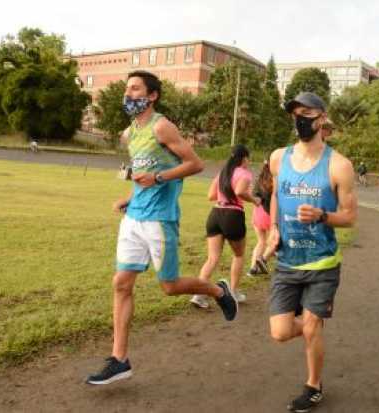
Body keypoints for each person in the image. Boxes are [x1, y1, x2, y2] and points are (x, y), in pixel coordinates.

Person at [86, 71, 238, 385]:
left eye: (135, 88)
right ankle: (119, 359)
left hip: (160, 219)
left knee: (168, 286)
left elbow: (195, 165)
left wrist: (158, 179)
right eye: (127, 89)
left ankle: (218, 291)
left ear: (152, 95)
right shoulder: (129, 134)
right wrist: (129, 197)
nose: (128, 94)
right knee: (121, 283)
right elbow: (141, 173)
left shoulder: (161, 126)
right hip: (134, 219)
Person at [268, 92, 357, 412]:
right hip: (287, 261)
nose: (299, 118)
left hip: (323, 262)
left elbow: (349, 216)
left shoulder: (339, 165)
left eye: (306, 112)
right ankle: (308, 323)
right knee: (279, 332)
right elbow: (276, 195)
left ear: (321, 117)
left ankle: (313, 385)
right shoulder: (278, 157)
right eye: (295, 113)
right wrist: (274, 228)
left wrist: (322, 215)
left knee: (311, 326)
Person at [190, 144, 260, 308]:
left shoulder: (222, 173)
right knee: (239, 255)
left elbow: (211, 195)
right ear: (244, 158)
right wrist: (254, 200)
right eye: (248, 158)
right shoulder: (244, 173)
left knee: (212, 258)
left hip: (215, 214)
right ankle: (234, 292)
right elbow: (240, 192)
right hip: (233, 215)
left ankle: (198, 295)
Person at [247, 160, 274, 277]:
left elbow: (254, 195)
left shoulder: (259, 179)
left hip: (258, 213)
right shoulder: (275, 179)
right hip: (270, 214)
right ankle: (263, 259)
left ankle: (253, 269)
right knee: (275, 241)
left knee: (261, 241)